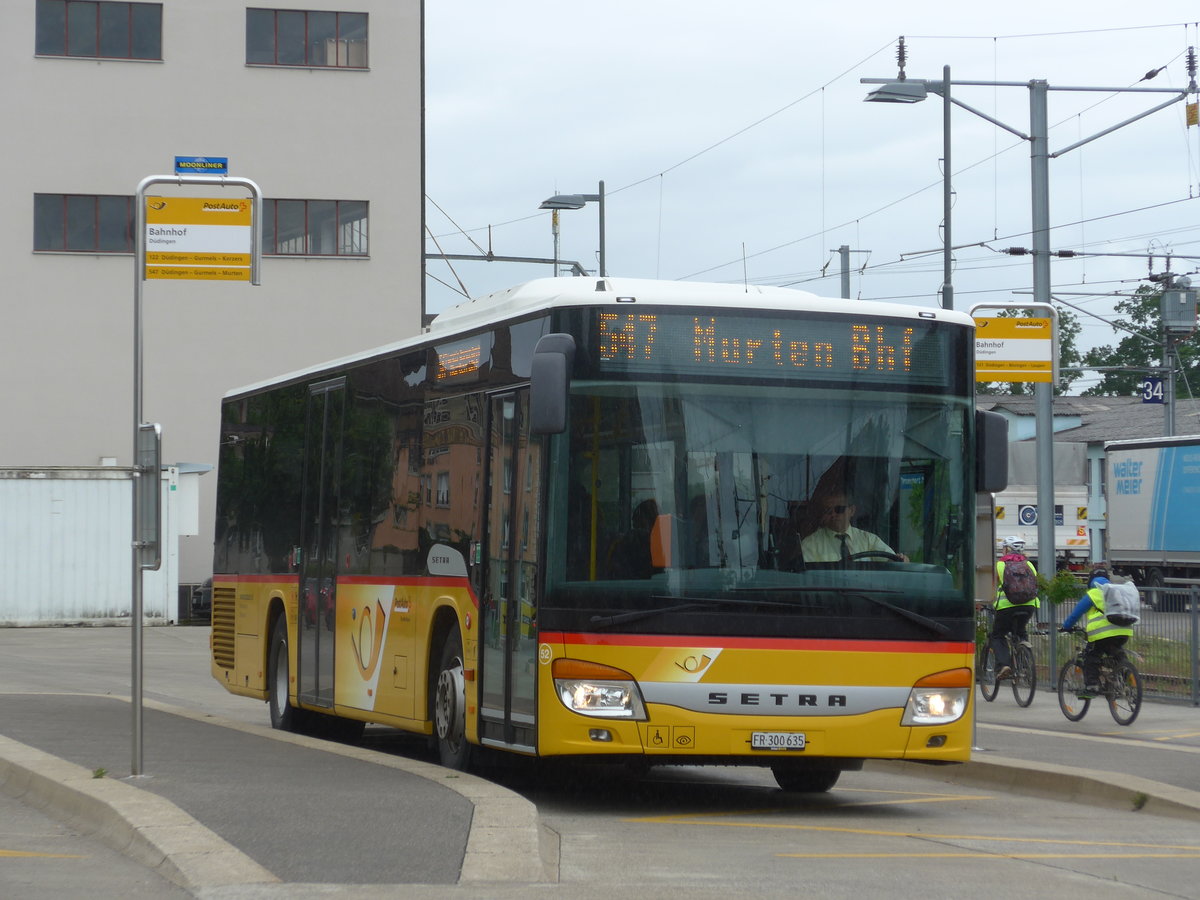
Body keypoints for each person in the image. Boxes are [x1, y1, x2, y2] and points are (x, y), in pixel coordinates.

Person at [1059, 566, 1134, 698]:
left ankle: (1092, 686)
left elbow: (1076, 614)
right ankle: (1128, 682)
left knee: (1091, 656)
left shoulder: (1093, 593)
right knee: (1116, 653)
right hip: (1124, 631)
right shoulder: (1117, 591)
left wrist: (1066, 626)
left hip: (1102, 633)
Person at [799, 490, 905, 563]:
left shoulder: (869, 540)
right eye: (828, 510)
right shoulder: (810, 544)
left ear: (852, 510)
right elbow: (808, 580)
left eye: (839, 509)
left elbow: (892, 562)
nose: (833, 514)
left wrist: (902, 560)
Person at [990, 536, 1039, 681]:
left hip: (1006, 606)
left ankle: (1004, 665)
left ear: (1006, 549)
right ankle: (1024, 661)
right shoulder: (1029, 565)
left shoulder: (1000, 565)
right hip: (1029, 605)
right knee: (1020, 631)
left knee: (998, 635)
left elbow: (991, 585)